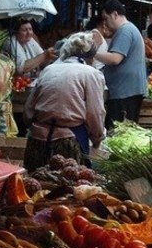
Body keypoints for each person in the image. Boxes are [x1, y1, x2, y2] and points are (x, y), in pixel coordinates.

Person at [22, 32, 106, 173]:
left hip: (37, 140)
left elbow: (28, 112)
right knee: (67, 190)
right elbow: (95, 113)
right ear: (91, 57)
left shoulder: (49, 70)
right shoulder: (91, 73)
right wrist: (97, 138)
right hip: (68, 142)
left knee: (35, 187)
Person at [96, 0, 147, 130]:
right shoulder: (129, 29)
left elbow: (115, 59)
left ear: (115, 14)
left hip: (125, 92)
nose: (105, 23)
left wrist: (91, 53)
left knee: (119, 132)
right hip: (127, 91)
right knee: (125, 131)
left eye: (106, 18)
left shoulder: (125, 31)